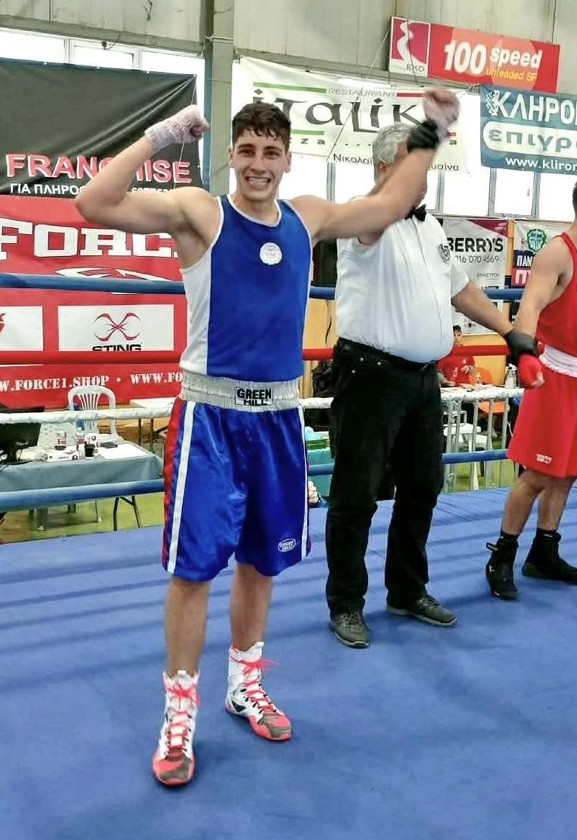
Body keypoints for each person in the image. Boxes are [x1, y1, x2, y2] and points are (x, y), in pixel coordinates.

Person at [75, 90, 461, 785]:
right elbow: (93, 203)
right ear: (231, 155)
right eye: (248, 151)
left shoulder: (307, 219)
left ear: (286, 161)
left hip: (279, 420)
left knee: (262, 564)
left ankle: (244, 683)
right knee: (194, 571)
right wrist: (163, 134)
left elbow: (394, 198)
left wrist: (432, 129)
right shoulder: (201, 212)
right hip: (211, 420)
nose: (258, 163)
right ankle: (179, 712)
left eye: (271, 152)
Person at [324, 123, 537, 648]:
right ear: (383, 170)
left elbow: (460, 288)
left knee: (423, 489)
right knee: (356, 496)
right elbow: (377, 216)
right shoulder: (363, 218)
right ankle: (346, 602)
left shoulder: (430, 228)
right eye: (412, 166)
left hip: (422, 381)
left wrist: (511, 332)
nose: (424, 178)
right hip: (370, 376)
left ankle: (406, 589)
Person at [484, 173, 577, 602]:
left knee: (569, 471)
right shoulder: (556, 252)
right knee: (538, 473)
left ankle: (544, 551)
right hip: (557, 378)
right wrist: (525, 353)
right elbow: (530, 305)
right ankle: (502, 555)